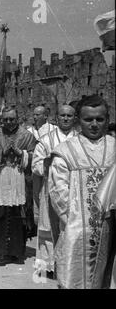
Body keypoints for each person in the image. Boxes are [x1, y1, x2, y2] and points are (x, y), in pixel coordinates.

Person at [49, 94, 115, 289]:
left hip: (112, 225)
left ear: (107, 120)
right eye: (88, 119)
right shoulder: (65, 151)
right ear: (79, 121)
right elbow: (58, 191)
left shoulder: (114, 147)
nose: (94, 124)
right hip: (78, 228)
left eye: (99, 119)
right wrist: (72, 219)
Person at [0, 106, 37, 265]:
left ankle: (16, 252)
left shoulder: (27, 136)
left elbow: (36, 157)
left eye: (11, 119)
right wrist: (1, 153)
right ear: (1, 120)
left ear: (17, 118)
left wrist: (22, 154)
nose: (8, 122)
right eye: (5, 119)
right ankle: (0, 252)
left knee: (17, 217)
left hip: (19, 179)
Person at [32, 104, 78, 277]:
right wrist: (46, 163)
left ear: (75, 118)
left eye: (69, 115)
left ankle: (68, 266)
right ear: (56, 118)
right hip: (50, 190)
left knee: (70, 228)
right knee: (48, 228)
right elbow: (35, 165)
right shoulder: (46, 140)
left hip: (74, 192)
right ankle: (47, 266)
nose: (66, 118)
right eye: (62, 115)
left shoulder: (80, 139)